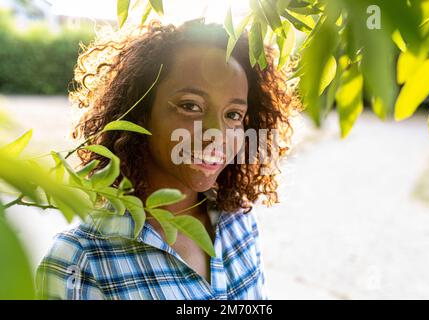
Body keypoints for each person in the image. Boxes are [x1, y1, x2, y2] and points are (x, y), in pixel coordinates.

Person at [35, 17, 297, 300]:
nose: (217, 134)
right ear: (140, 113)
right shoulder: (80, 259)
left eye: (233, 115)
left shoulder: (238, 219)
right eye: (190, 106)